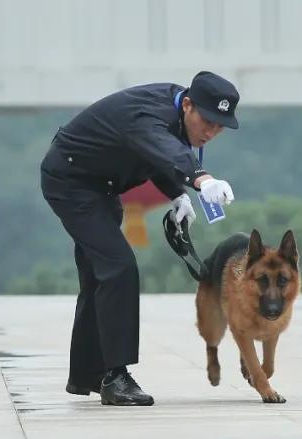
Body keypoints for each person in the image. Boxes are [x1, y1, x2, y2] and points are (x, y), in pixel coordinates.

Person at [39, 71, 239, 406]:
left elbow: (157, 155)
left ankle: (89, 374)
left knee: (98, 277)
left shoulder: (177, 115)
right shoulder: (146, 113)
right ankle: (116, 378)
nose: (211, 132)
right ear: (187, 105)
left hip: (102, 189)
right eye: (207, 121)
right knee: (118, 268)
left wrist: (178, 195)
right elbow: (163, 147)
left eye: (220, 126)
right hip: (71, 184)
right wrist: (201, 180)